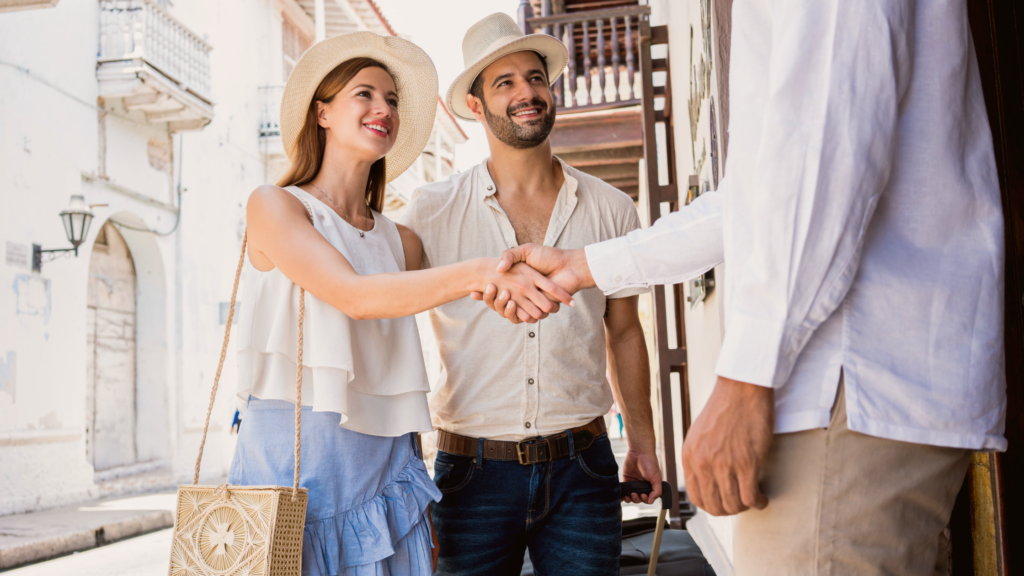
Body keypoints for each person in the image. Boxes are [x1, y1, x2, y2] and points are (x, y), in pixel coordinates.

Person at [492, 1, 1007, 574]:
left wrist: (743, 381)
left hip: (845, 387)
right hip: (856, 389)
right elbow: (756, 197)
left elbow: (822, 157)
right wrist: (582, 265)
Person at [227, 32, 572, 576]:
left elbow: (402, 357)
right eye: (364, 94)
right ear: (322, 113)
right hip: (294, 465)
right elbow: (355, 297)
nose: (383, 108)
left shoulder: (401, 240)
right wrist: (482, 273)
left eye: (391, 100)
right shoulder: (274, 206)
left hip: (386, 475)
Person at [398, 14, 662, 576]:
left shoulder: (612, 209)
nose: (527, 93)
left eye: (535, 77)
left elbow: (624, 330)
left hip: (584, 468)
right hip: (470, 473)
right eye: (505, 82)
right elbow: (384, 314)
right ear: (476, 106)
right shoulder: (430, 211)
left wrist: (642, 439)